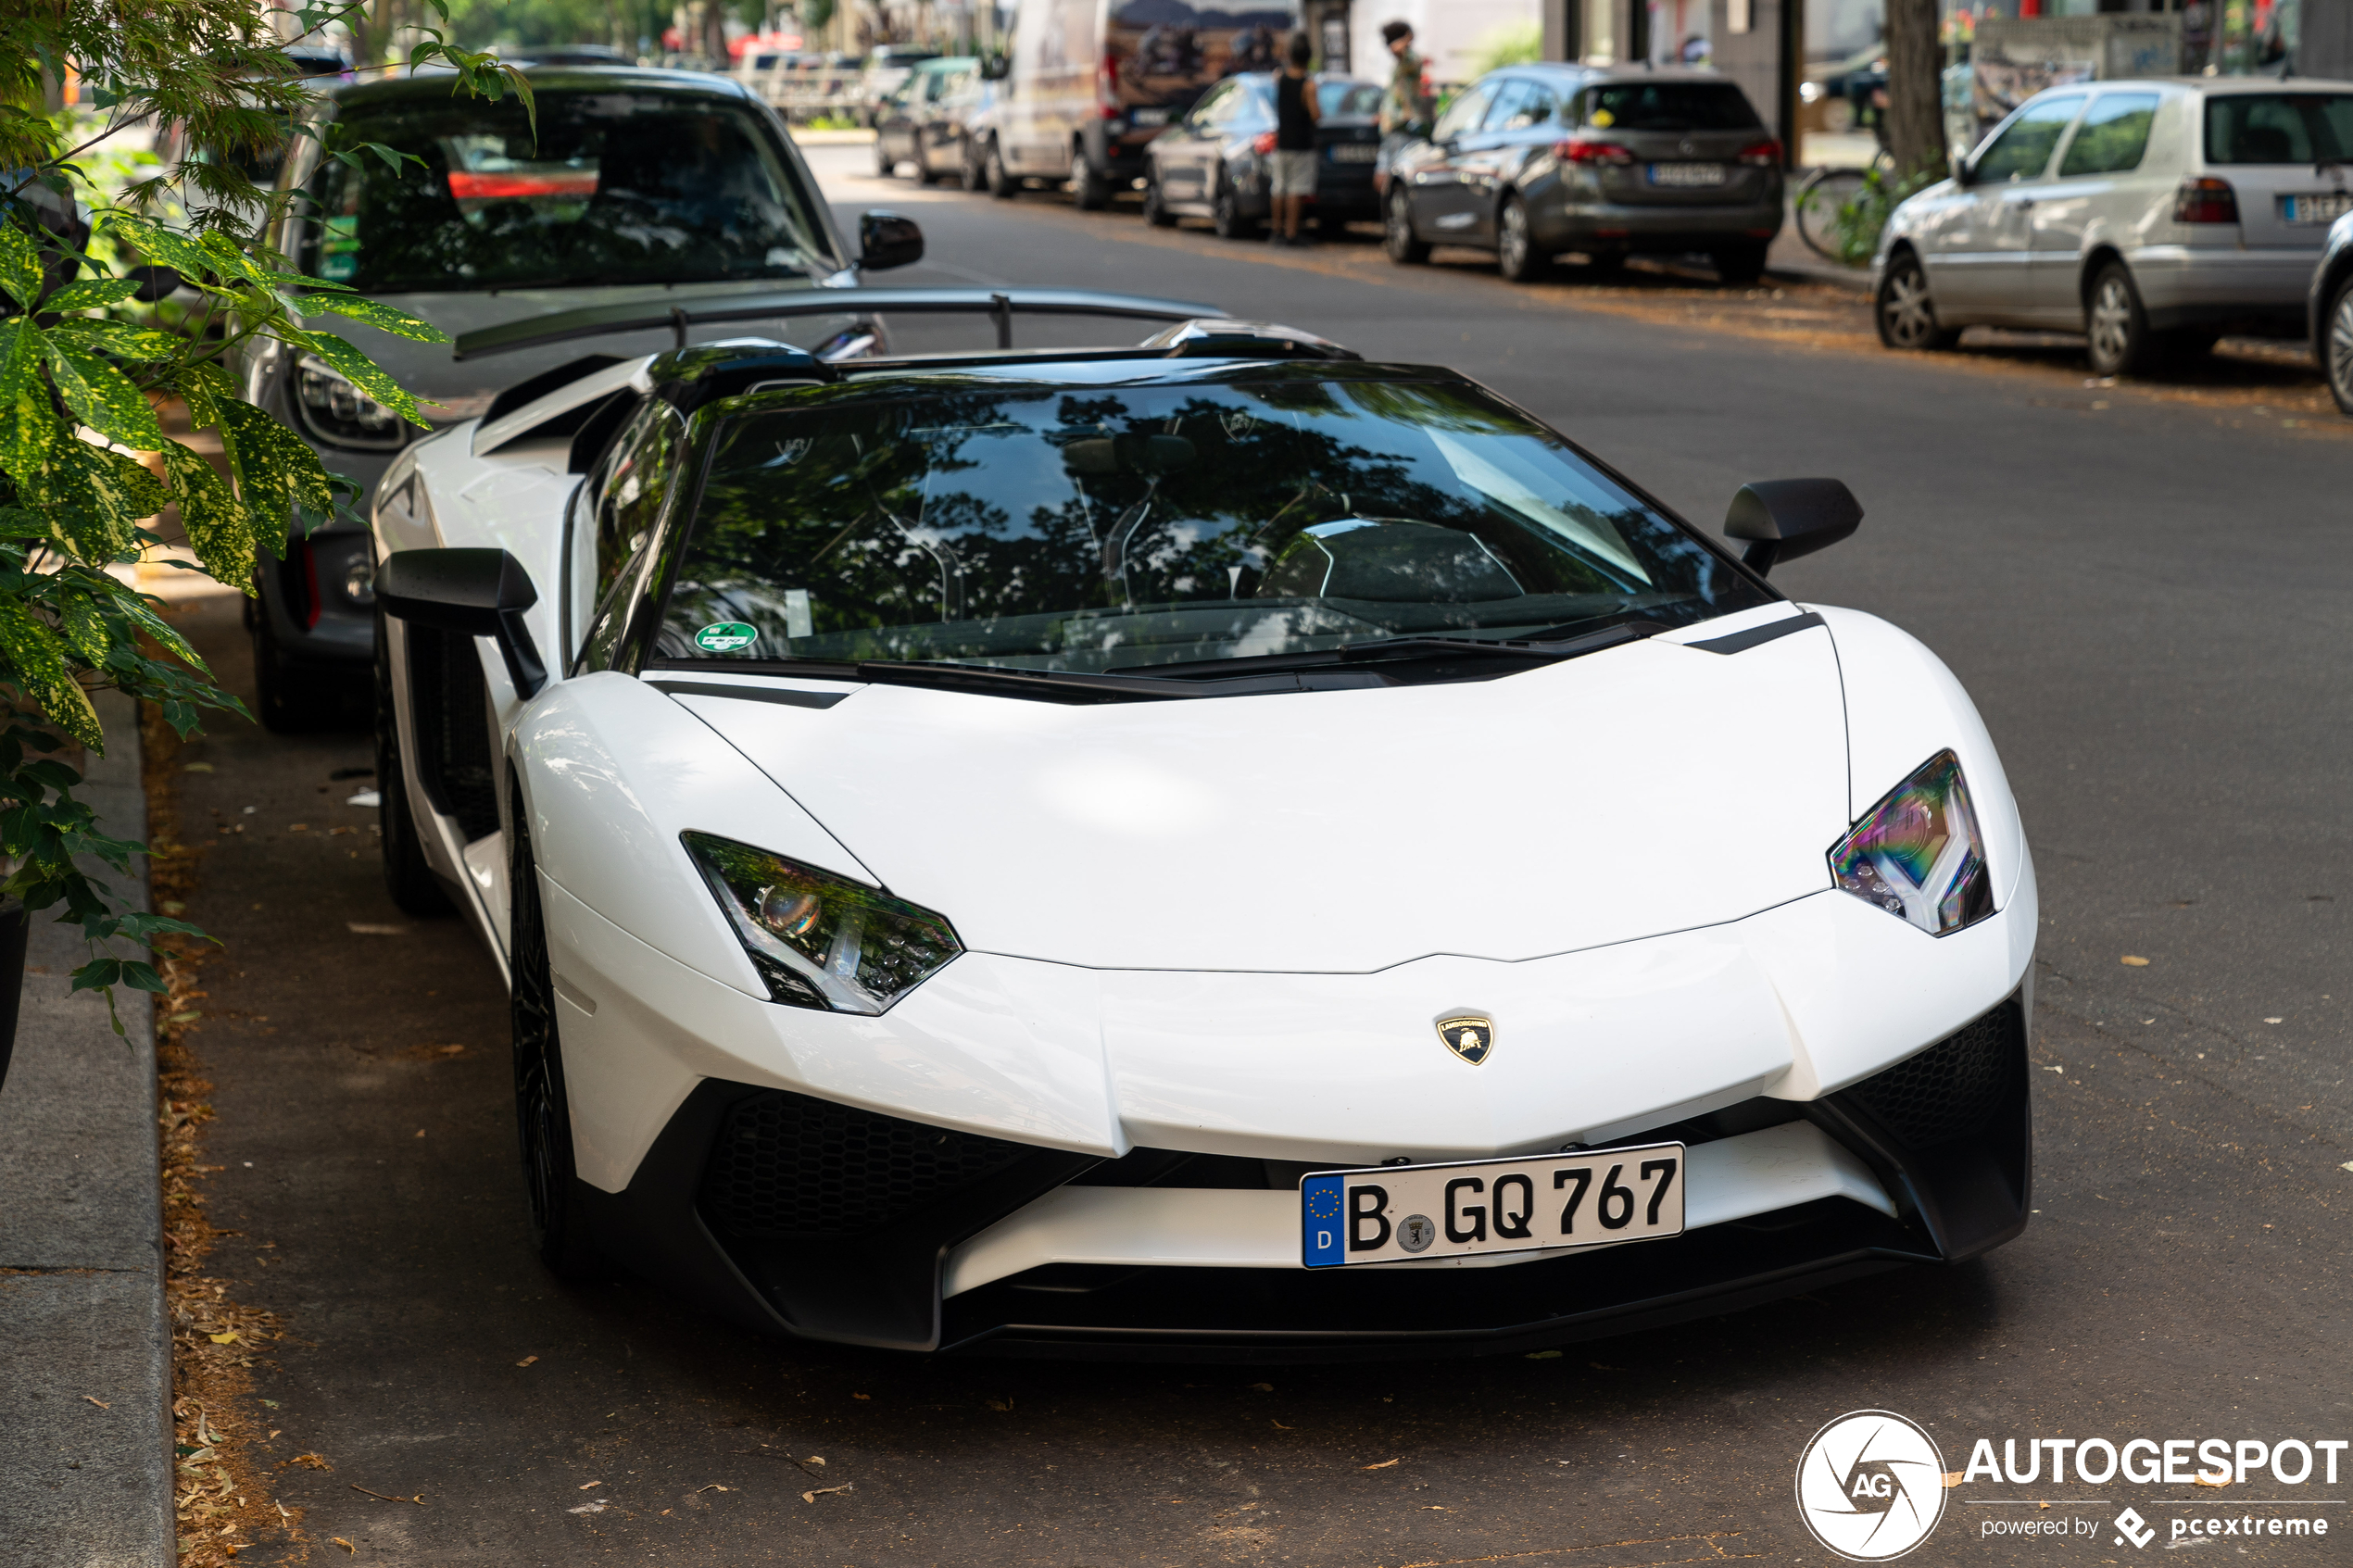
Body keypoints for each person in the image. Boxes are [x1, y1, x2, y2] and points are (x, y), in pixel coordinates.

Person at [1269, 32, 1320, 246]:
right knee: (1295, 189)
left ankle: (1276, 230)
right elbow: (1315, 114)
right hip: (1301, 143)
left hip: (1283, 142)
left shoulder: (1279, 77)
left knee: (1279, 187)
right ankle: (1291, 232)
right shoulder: (1308, 85)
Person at [1375, 19, 1430, 194]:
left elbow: (1396, 48)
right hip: (1393, 127)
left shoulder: (1410, 59)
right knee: (1385, 177)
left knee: (1392, 176)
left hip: (1404, 127)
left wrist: (1407, 37)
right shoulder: (1401, 64)